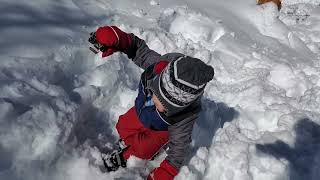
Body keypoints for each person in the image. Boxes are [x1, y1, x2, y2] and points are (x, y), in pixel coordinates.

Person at [93, 26, 214, 180]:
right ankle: (132, 143)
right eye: (156, 94)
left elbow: (178, 152)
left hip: (161, 129)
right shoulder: (157, 67)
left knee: (143, 150)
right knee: (122, 125)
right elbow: (138, 50)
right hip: (142, 111)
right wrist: (119, 40)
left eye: (165, 105)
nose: (156, 101)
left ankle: (133, 153)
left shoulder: (184, 117)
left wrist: (164, 173)